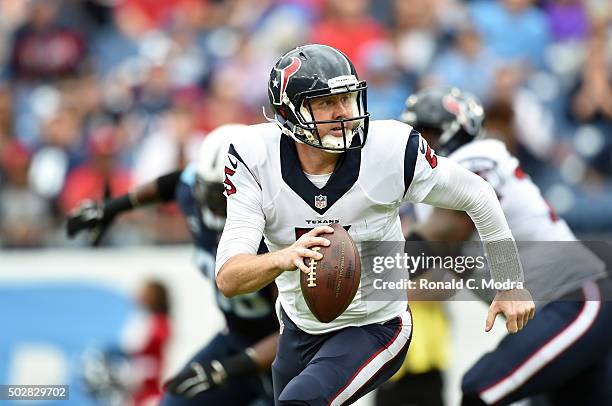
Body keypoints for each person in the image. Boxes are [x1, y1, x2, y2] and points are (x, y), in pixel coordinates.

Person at [214, 44, 535, 405]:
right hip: (298, 329)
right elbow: (229, 277)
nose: (343, 113)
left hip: (376, 325)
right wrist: (283, 258)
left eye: (347, 98)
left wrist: (509, 281)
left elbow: (478, 194)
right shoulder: (254, 158)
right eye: (325, 103)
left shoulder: (389, 148)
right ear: (288, 112)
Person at [400, 86, 612, 406]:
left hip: (576, 299)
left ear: (455, 132)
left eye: (425, 133)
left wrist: (369, 273)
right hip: (552, 314)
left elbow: (447, 230)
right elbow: (437, 280)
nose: (417, 145)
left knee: (481, 389)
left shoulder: (476, 157)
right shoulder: (427, 200)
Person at [66, 124, 279, 406]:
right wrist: (113, 208)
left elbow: (292, 330)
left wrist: (229, 369)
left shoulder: (277, 231)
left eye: (226, 197)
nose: (216, 207)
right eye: (212, 193)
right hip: (237, 338)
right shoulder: (194, 188)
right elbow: (176, 183)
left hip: (285, 354)